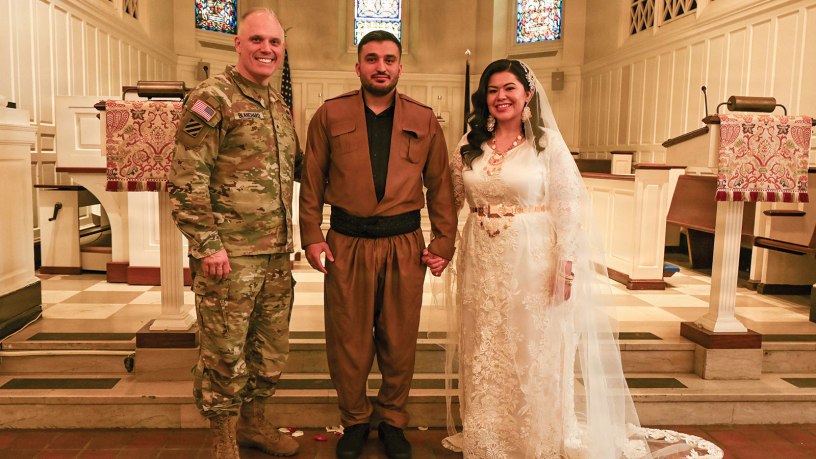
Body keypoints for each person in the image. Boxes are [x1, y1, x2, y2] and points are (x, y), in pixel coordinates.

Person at [442, 60, 723, 458]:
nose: (500, 97)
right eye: (492, 90)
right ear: (483, 98)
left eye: (509, 88)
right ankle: (489, 434)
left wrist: (566, 262)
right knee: (485, 345)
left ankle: (532, 437)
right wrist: (440, 245)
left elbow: (570, 205)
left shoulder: (546, 145)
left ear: (527, 95)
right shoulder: (468, 147)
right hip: (482, 258)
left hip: (532, 257)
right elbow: (451, 200)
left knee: (532, 347)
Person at [299, 30, 458, 459]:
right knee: (348, 340)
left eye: (389, 59)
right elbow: (312, 179)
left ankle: (391, 419)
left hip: (404, 244)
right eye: (371, 59)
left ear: (400, 67)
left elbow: (441, 184)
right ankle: (353, 419)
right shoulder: (329, 115)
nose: (380, 67)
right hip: (346, 243)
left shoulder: (424, 120)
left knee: (399, 339)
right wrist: (311, 235)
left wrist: (444, 241)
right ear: (358, 67)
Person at [168, 8, 300, 459]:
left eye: (275, 43)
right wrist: (207, 245)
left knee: (270, 349)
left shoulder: (277, 105)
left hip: (276, 253)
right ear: (238, 44)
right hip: (229, 255)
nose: (267, 49)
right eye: (258, 40)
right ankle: (224, 440)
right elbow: (187, 176)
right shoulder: (213, 97)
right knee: (225, 350)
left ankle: (254, 424)